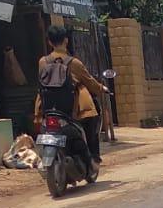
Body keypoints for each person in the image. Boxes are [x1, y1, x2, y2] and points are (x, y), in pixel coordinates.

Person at [35, 24, 110, 177]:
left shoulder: (42, 62)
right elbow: (90, 83)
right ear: (66, 41)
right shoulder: (73, 63)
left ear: (49, 42)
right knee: (92, 121)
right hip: (71, 111)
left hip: (47, 109)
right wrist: (103, 88)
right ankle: (93, 159)